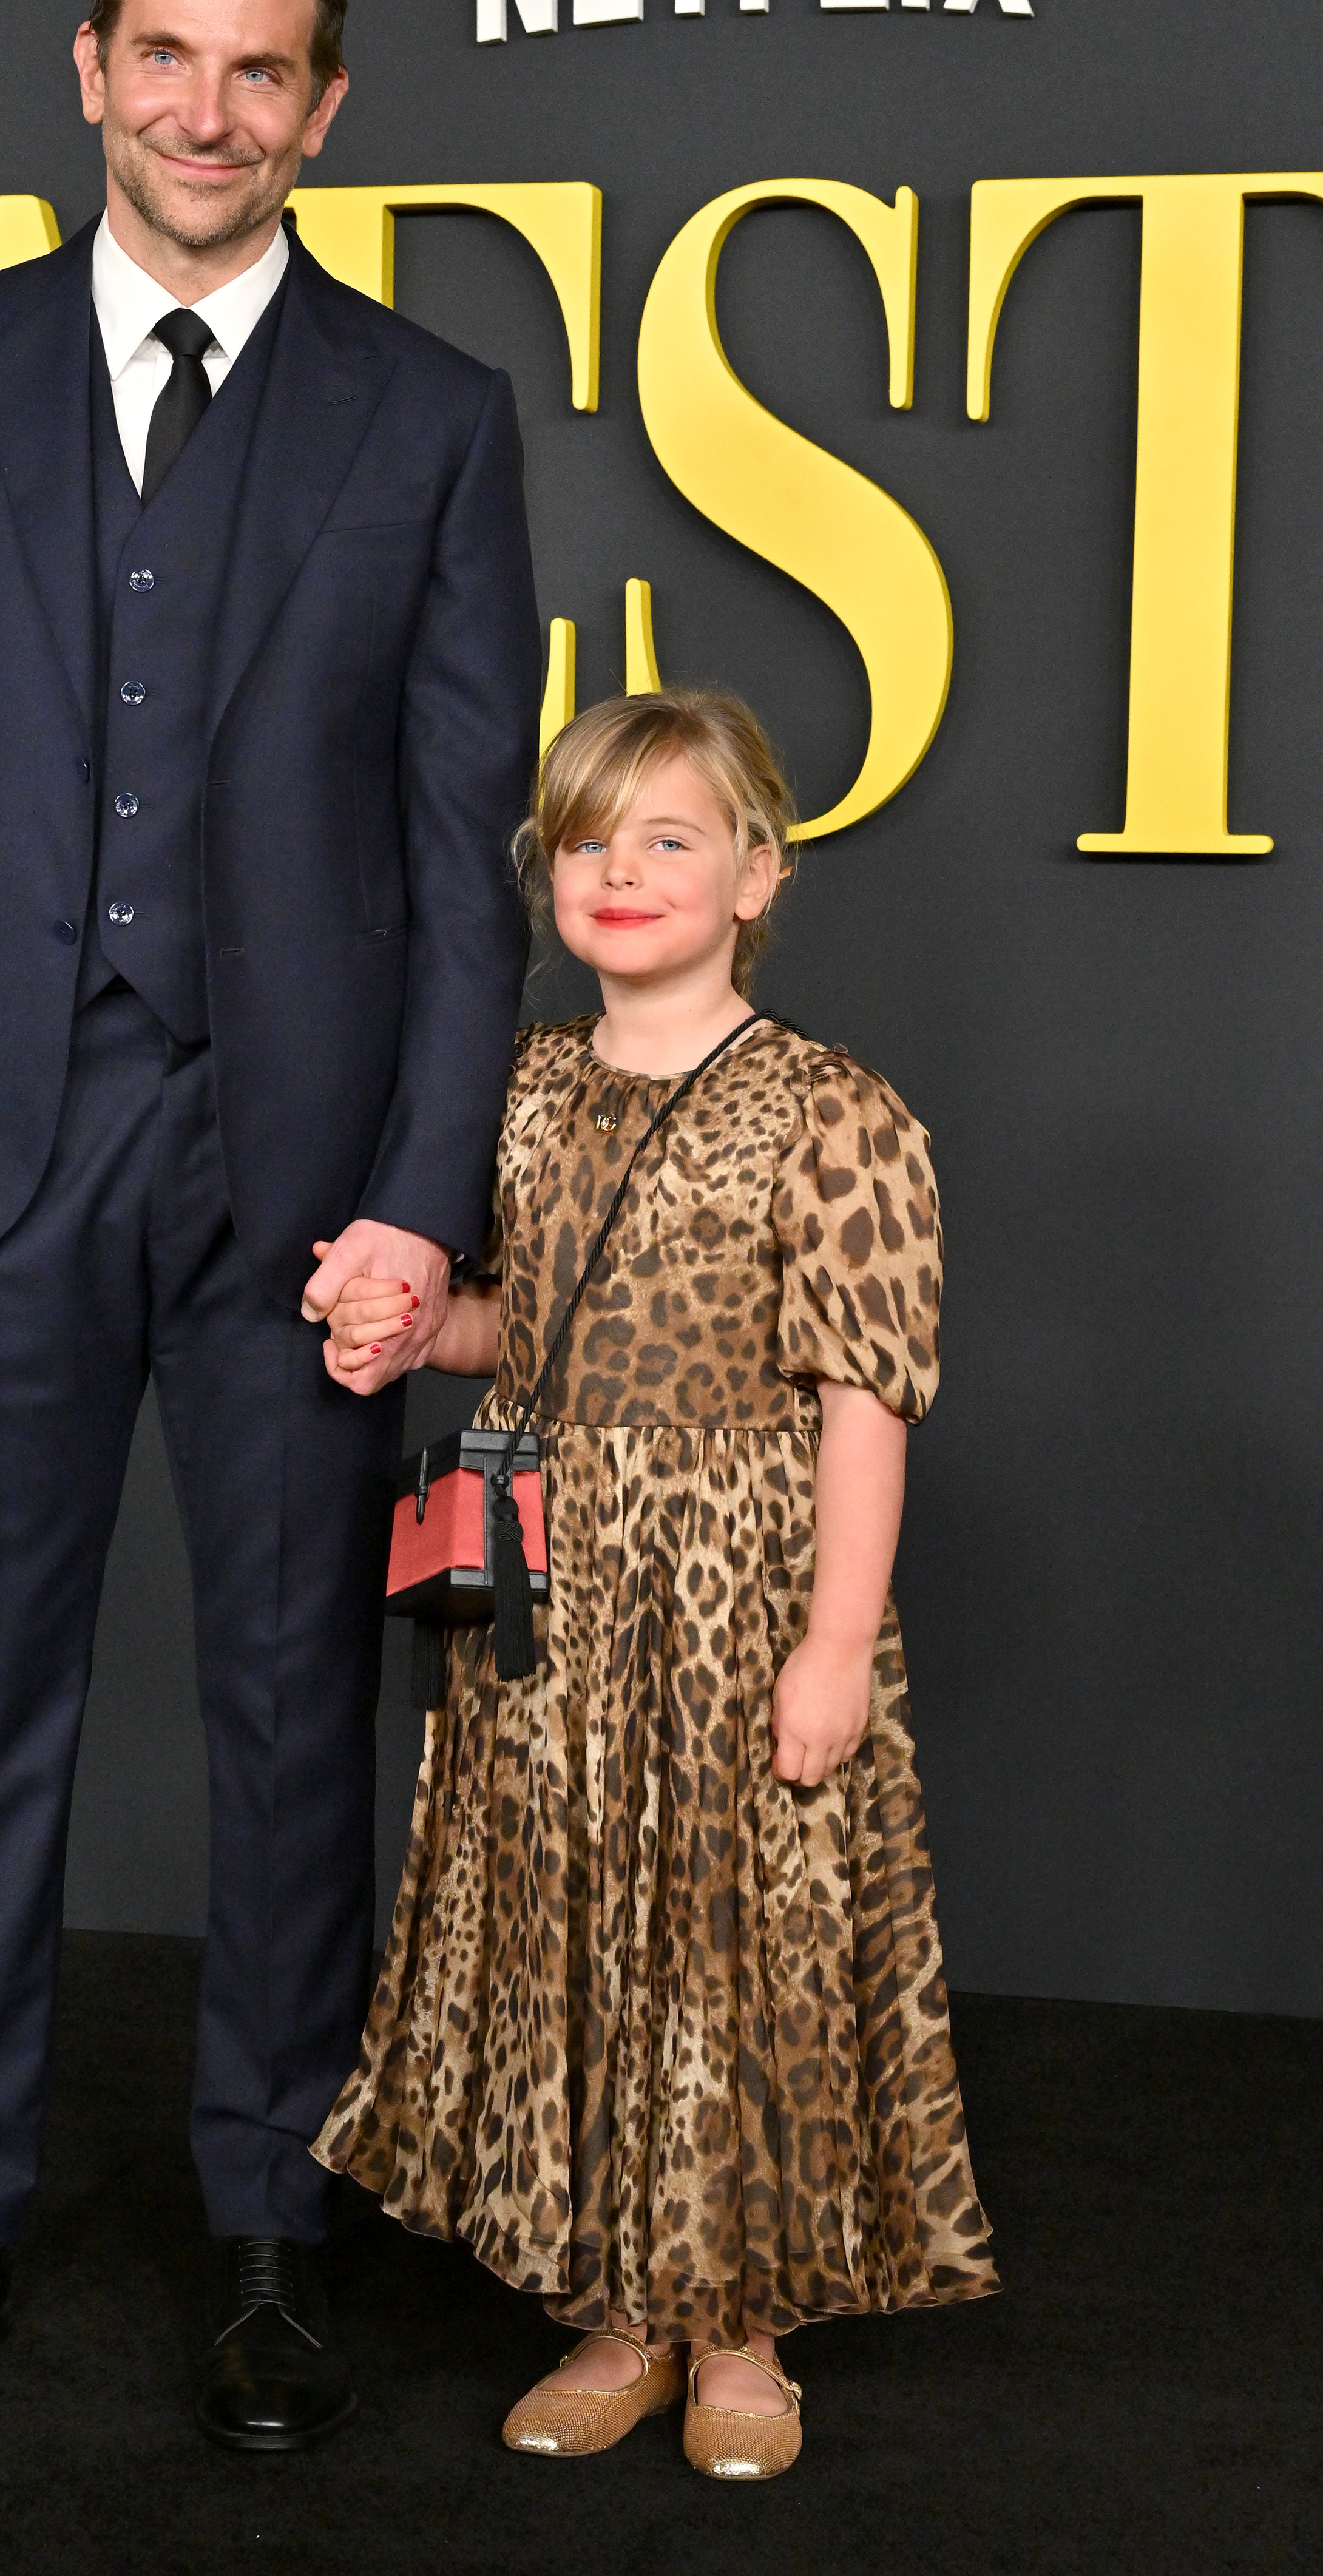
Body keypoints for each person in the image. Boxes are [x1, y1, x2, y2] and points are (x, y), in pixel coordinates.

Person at [0, 0, 541, 2447]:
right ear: (89, 70)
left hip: (300, 1180)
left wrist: (422, 1196)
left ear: (326, 108)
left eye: (259, 69)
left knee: (306, 1715)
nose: (208, 110)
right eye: (162, 56)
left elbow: (455, 862)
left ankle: (272, 2233)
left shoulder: (431, 418)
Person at [314, 688, 997, 2476]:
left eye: (668, 838)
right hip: (550, 1603)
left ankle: (739, 2332)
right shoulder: (518, 1083)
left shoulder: (832, 1114)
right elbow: (511, 1330)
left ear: (757, 873)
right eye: (586, 841)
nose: (620, 872)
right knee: (570, 1937)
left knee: (728, 1955)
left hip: (737, 1600)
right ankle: (618, 2315)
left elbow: (864, 1403)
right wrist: (409, 1334)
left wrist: (832, 1643)